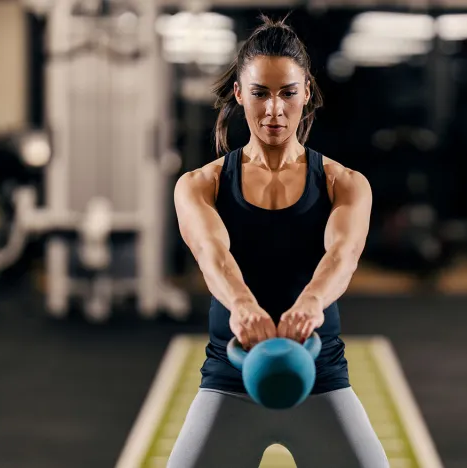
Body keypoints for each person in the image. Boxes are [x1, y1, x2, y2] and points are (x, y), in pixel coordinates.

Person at [169, 15, 389, 468]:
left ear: (306, 92)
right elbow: (213, 256)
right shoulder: (199, 185)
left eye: (288, 92)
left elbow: (342, 256)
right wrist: (243, 305)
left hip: (319, 378)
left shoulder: (345, 184)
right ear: (238, 94)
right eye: (260, 93)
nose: (274, 110)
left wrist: (310, 302)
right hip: (230, 380)